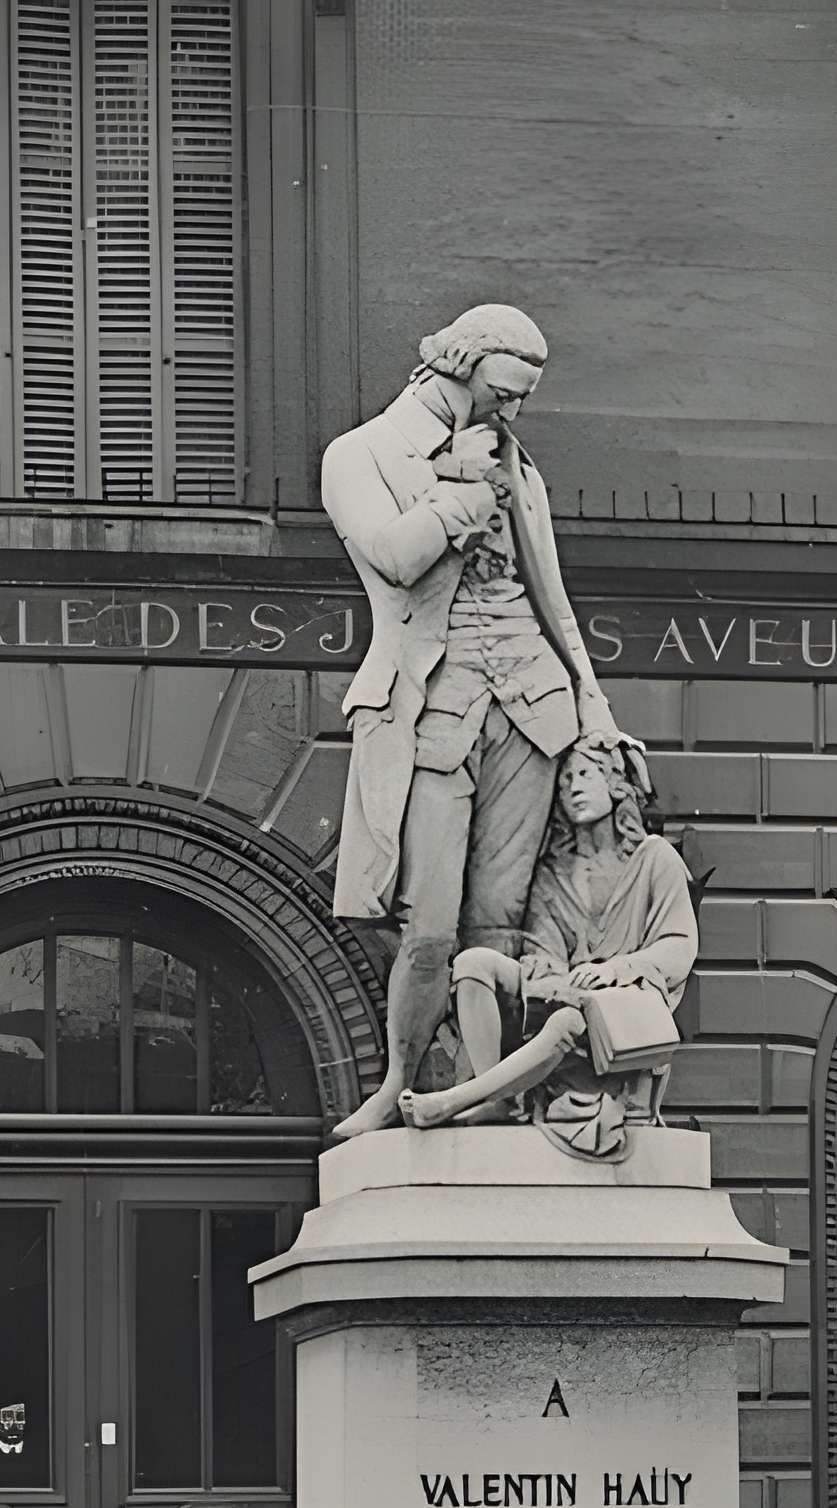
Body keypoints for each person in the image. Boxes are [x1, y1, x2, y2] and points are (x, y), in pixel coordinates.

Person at [320, 302, 645, 1140]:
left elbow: (552, 600)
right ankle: (397, 1083)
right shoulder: (360, 455)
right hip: (431, 708)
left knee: (499, 922)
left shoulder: (515, 462)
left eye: (523, 398)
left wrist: (595, 709)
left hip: (533, 708)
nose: (514, 412)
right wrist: (460, 488)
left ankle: (484, 1085)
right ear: (456, 368)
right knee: (426, 925)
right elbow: (392, 557)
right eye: (505, 392)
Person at [398, 740, 698, 1161]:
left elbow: (678, 949)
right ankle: (498, 1096)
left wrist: (617, 969)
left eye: (585, 774)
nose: (572, 787)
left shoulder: (654, 859)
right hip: (570, 992)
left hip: (627, 1008)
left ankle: (454, 1101)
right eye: (565, 780)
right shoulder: (554, 874)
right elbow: (545, 951)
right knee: (473, 964)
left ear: (615, 785)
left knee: (567, 1022)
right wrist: (553, 976)